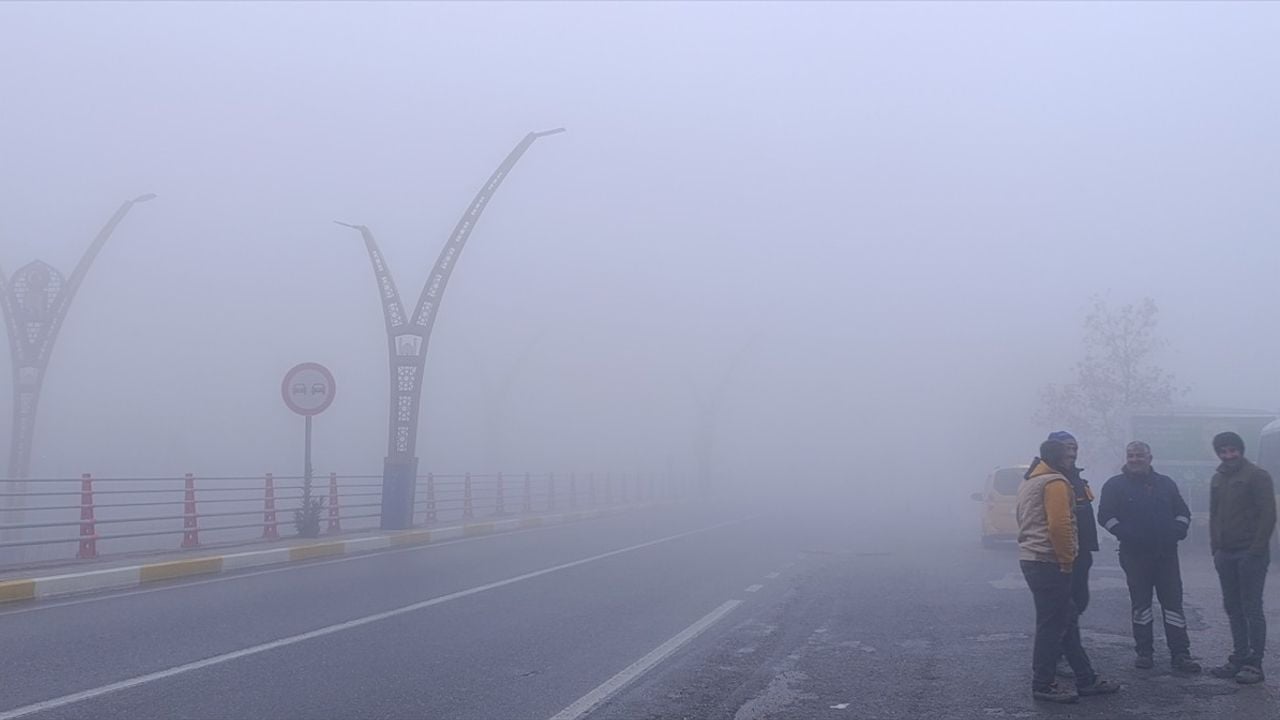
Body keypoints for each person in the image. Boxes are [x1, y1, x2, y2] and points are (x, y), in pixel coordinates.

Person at [1017, 439, 1121, 703]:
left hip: (1032, 558)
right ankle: (1043, 684)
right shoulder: (1055, 483)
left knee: (1068, 618)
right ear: (1057, 458)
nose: (1072, 457)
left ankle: (1086, 678)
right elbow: (1059, 526)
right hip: (1050, 561)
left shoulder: (1031, 480)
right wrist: (1066, 562)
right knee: (1052, 625)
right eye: (1068, 454)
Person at [1097, 441, 1201, 673]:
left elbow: (1183, 512)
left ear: (1150, 458)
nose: (1135, 459)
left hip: (1166, 555)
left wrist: (1178, 531)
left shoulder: (1165, 484)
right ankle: (1144, 652)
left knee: (1173, 605)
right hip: (1134, 556)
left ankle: (1181, 654)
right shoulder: (1115, 486)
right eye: (1131, 455)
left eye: (1139, 455)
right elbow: (1104, 515)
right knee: (1141, 605)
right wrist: (1125, 533)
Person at [1208, 431, 1276, 685]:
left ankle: (1254, 664)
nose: (1228, 455)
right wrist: (1215, 549)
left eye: (1232, 450)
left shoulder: (1257, 476)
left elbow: (1268, 515)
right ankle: (1238, 656)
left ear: (1241, 450)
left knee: (1251, 608)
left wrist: (1256, 550)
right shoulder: (1218, 478)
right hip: (1226, 554)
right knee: (1232, 607)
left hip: (1250, 553)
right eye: (1223, 451)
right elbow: (1214, 515)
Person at [1047, 431, 1099, 679]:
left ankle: (1064, 644)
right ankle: (1060, 650)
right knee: (1064, 606)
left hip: (1084, 550)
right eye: (1067, 448)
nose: (1072, 452)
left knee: (1080, 600)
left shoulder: (1077, 478)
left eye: (1074, 447)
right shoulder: (1053, 479)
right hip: (1064, 554)